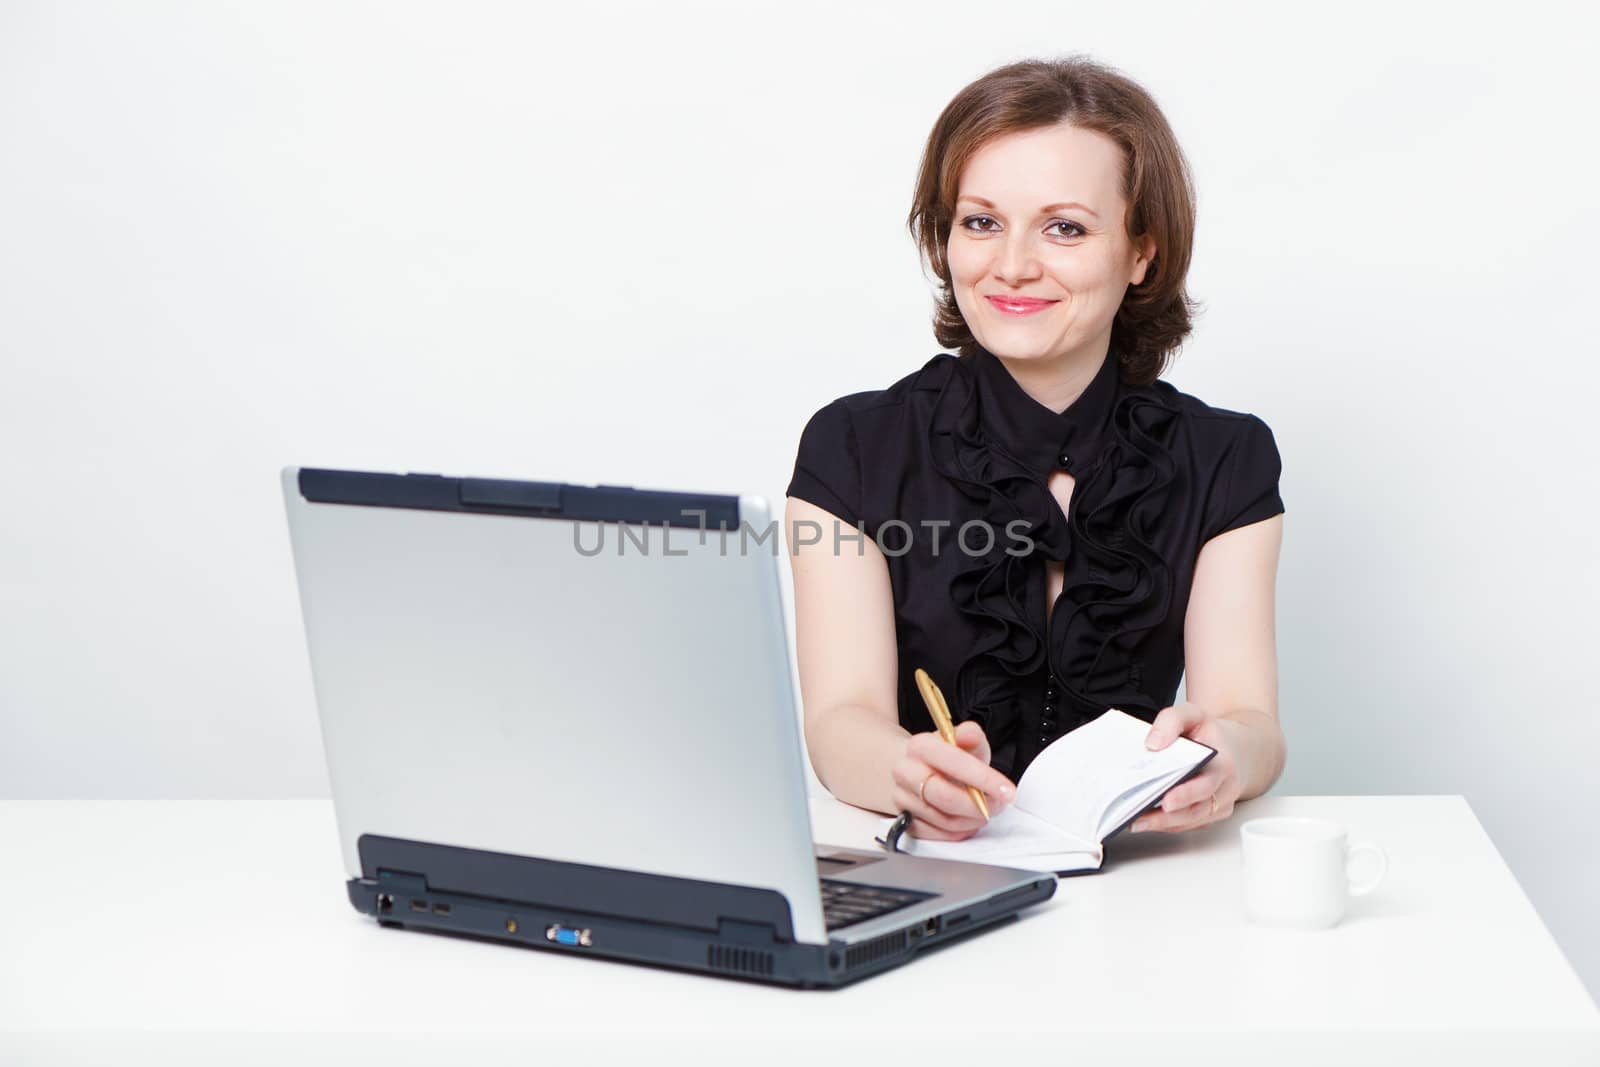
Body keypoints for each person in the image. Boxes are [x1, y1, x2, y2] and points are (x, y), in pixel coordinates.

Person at [784, 56, 1286, 844]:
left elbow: (1251, 718)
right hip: (927, 881)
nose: (1012, 264)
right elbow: (842, 720)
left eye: (1065, 227)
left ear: (1142, 252)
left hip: (1153, 891)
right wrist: (906, 771)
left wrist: (1225, 758)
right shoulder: (852, 448)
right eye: (981, 221)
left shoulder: (1227, 458)